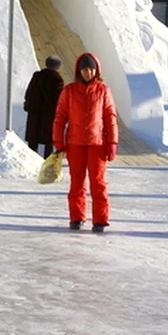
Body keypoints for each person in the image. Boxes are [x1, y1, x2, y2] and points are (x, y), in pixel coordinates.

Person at [52, 53, 118, 232]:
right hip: (75, 144)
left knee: (98, 183)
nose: (88, 73)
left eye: (91, 69)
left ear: (96, 70)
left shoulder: (103, 91)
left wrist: (112, 142)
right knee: (77, 183)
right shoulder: (70, 91)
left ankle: (100, 219)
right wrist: (58, 141)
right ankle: (76, 217)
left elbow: (110, 117)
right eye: (84, 69)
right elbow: (60, 117)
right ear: (78, 71)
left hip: (97, 144)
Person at [23, 55, 64, 158]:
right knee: (49, 141)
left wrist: (28, 105)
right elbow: (59, 100)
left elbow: (29, 93)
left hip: (34, 114)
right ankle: (47, 161)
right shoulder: (57, 80)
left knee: (33, 141)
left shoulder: (36, 76)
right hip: (49, 116)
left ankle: (31, 161)